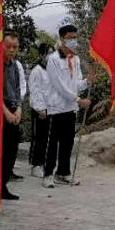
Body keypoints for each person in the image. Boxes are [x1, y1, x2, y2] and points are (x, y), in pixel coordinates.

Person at [43, 25, 90, 188]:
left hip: (70, 108)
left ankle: (63, 173)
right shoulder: (54, 59)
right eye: (70, 37)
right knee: (52, 142)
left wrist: (86, 82)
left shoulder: (75, 59)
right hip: (56, 107)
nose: (73, 41)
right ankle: (48, 174)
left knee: (67, 142)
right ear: (62, 38)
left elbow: (75, 83)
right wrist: (78, 99)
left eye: (75, 38)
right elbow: (60, 86)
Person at [0, 31, 27, 201]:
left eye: (15, 47)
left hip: (13, 108)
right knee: (0, 152)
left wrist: (18, 109)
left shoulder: (16, 65)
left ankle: (4, 183)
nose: (11, 50)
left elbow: (19, 89)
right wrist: (6, 113)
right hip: (0, 111)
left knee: (11, 151)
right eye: (8, 46)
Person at [27, 43, 53, 177]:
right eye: (48, 53)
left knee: (48, 139)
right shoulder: (37, 71)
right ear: (41, 55)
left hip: (51, 109)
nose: (51, 56)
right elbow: (35, 91)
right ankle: (36, 164)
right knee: (39, 138)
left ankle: (44, 163)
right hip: (40, 110)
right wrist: (40, 109)